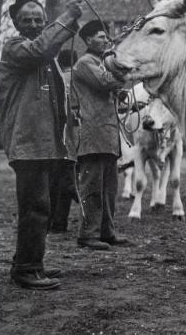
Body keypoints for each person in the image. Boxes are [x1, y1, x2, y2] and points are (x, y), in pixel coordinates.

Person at [0, 0, 83, 289]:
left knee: (42, 208)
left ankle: (34, 263)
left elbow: (49, 47)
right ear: (15, 24)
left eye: (38, 19)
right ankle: (26, 269)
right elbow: (43, 47)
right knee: (35, 208)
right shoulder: (14, 48)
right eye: (26, 20)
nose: (33, 24)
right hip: (27, 144)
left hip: (45, 145)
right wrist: (66, 19)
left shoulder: (46, 59)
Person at [74, 19, 130, 250]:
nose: (106, 40)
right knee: (93, 187)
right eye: (100, 36)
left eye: (106, 36)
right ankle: (88, 234)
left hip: (106, 135)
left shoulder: (99, 62)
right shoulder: (86, 63)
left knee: (109, 188)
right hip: (92, 135)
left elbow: (109, 91)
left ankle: (107, 232)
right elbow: (105, 82)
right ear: (87, 40)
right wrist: (123, 68)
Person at [48, 50, 80, 233]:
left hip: (55, 139)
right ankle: (60, 222)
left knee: (53, 182)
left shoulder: (56, 79)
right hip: (72, 139)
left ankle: (51, 221)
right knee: (68, 183)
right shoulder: (76, 79)